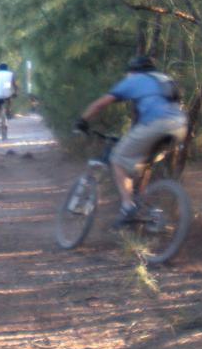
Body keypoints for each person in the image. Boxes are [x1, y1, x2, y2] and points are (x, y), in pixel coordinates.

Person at [75, 54, 187, 225]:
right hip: (180, 127)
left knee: (117, 159)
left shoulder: (136, 79)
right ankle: (141, 204)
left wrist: (82, 121)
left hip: (157, 124)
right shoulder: (164, 79)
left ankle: (127, 206)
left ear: (133, 71)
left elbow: (101, 103)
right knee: (142, 164)